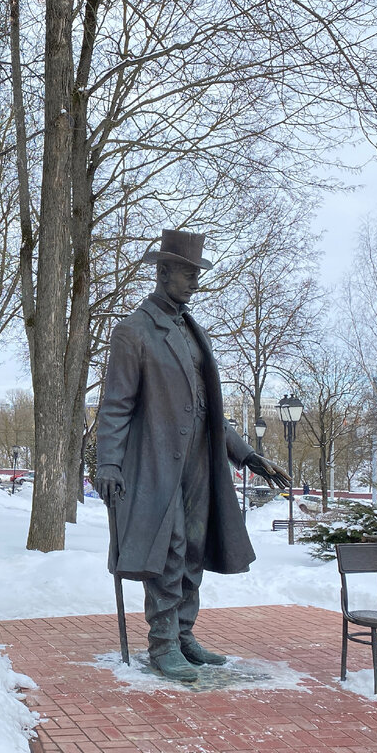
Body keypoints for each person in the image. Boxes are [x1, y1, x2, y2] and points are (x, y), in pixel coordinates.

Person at [95, 229, 291, 682]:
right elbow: (116, 405)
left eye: (196, 274)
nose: (194, 283)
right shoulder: (133, 332)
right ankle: (162, 644)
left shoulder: (192, 331)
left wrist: (246, 455)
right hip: (158, 464)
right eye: (187, 273)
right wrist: (108, 461)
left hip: (201, 463)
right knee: (168, 549)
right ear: (163, 272)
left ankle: (184, 635)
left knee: (194, 549)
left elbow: (210, 409)